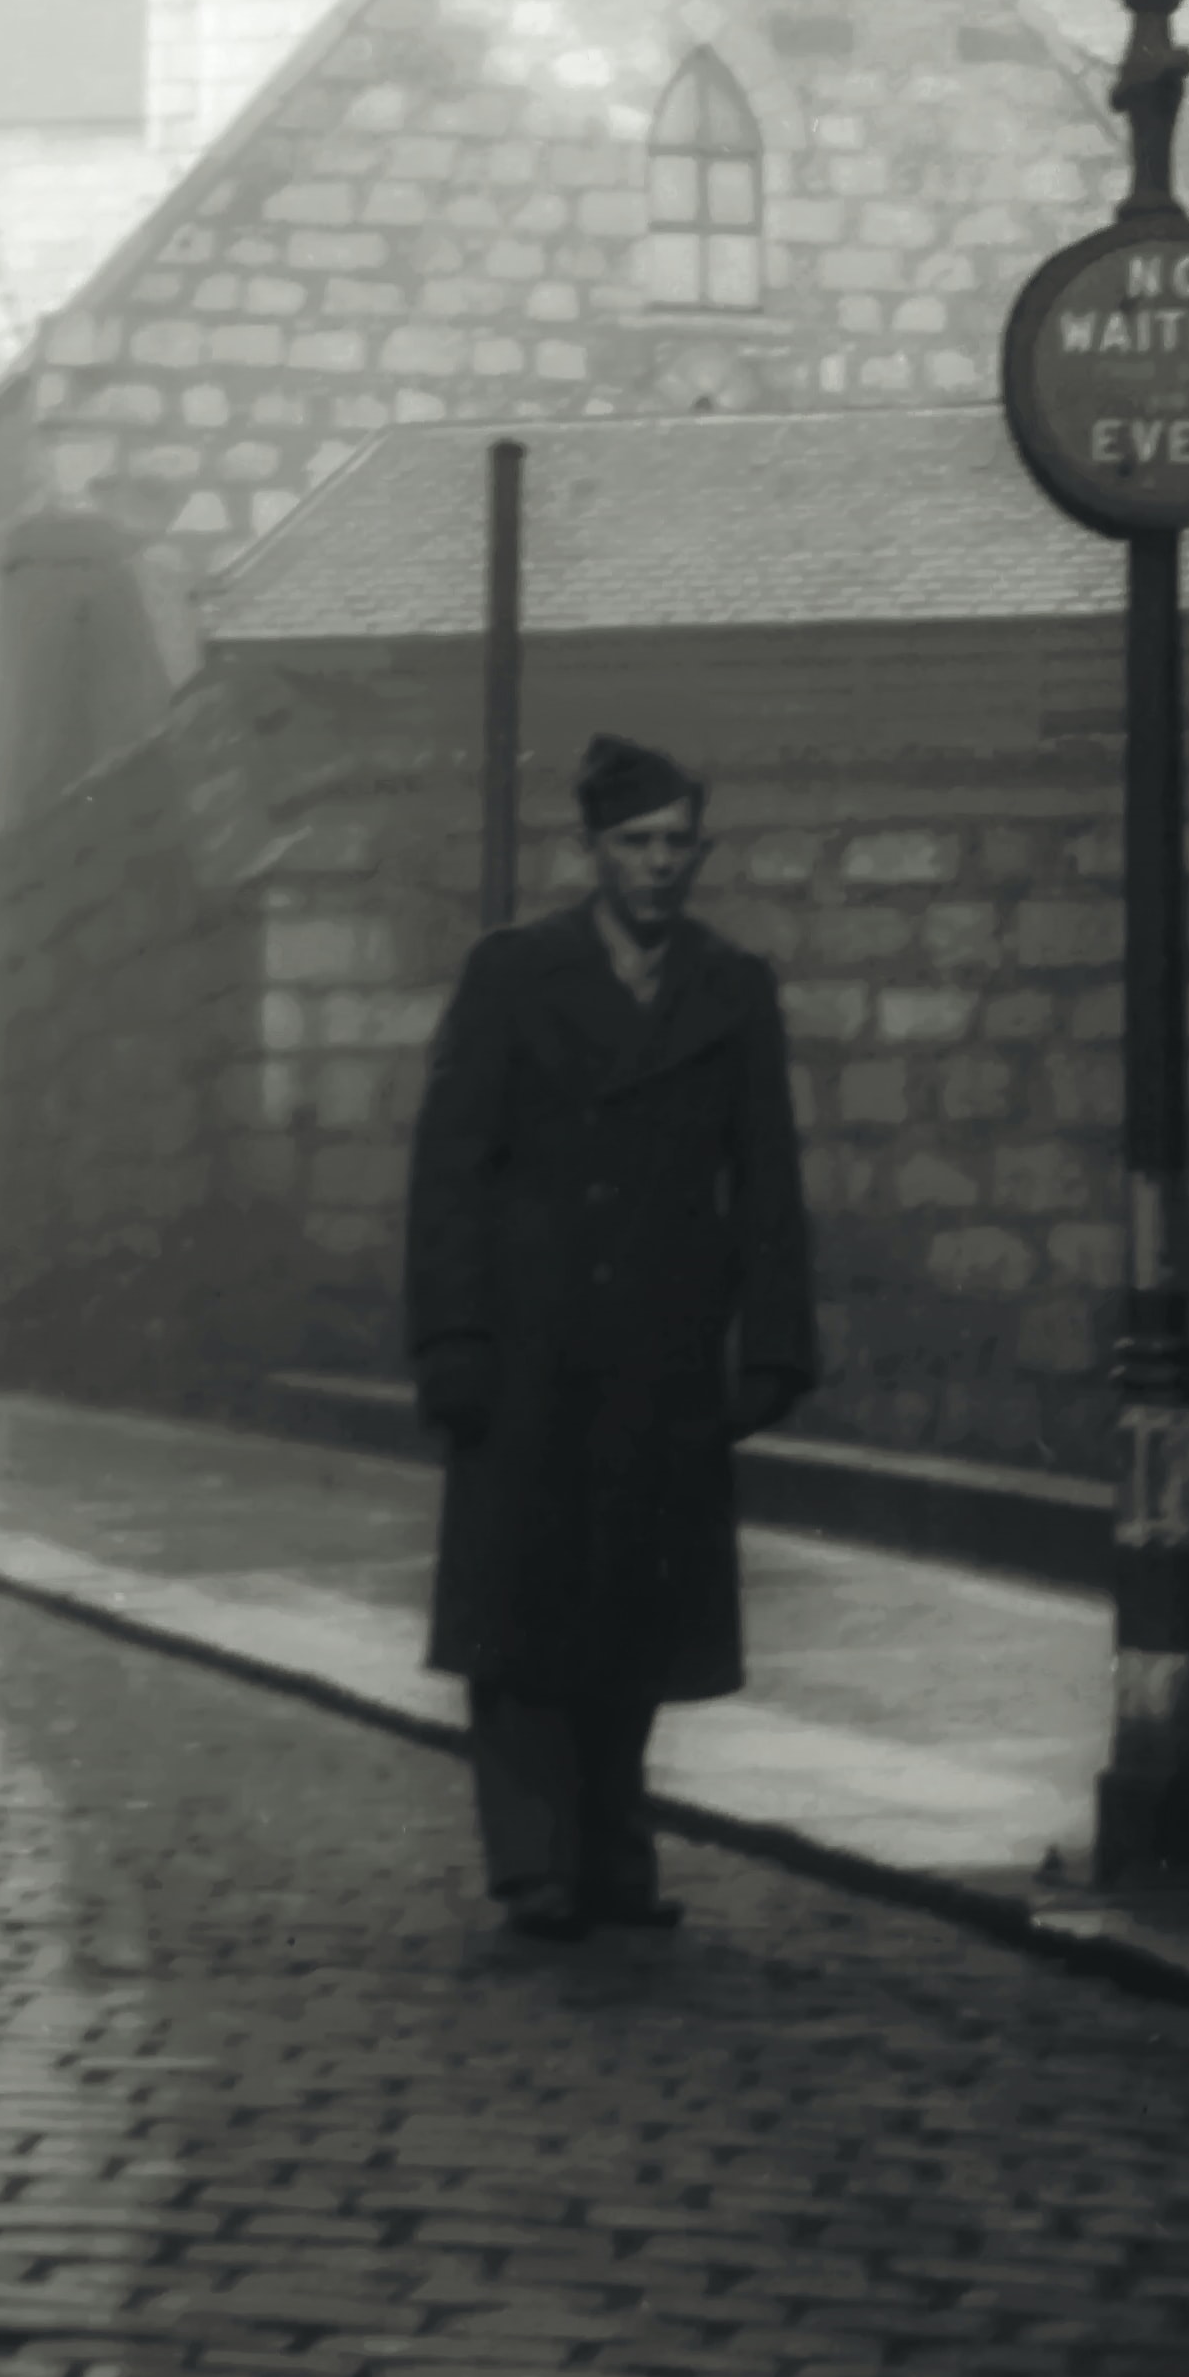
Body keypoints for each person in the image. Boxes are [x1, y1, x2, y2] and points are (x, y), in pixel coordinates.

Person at [403, 730, 818, 1939]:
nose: (659, 865)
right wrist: (451, 1339)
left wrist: (774, 1346)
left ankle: (615, 1858)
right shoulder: (511, 974)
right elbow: (449, 1172)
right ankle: (534, 1866)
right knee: (522, 1623)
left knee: (634, 1621)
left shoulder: (732, 988)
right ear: (589, 849)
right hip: (527, 1351)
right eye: (636, 843)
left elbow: (769, 1180)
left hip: (660, 1351)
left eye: (679, 842)